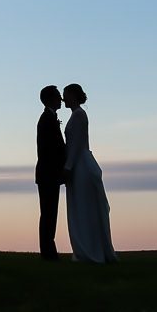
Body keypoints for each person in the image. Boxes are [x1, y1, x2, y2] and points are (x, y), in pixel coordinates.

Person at [61, 82, 115, 263]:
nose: (63, 98)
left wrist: (68, 167)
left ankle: (90, 249)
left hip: (80, 166)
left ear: (73, 96)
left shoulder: (79, 115)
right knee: (82, 207)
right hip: (79, 163)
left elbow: (76, 145)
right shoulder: (77, 115)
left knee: (84, 207)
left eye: (66, 94)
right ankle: (87, 247)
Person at [35, 85, 67, 258]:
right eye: (57, 97)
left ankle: (48, 250)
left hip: (49, 174)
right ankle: (48, 252)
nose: (61, 100)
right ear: (50, 99)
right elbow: (49, 150)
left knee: (49, 213)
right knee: (48, 213)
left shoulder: (50, 118)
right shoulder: (46, 119)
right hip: (48, 174)